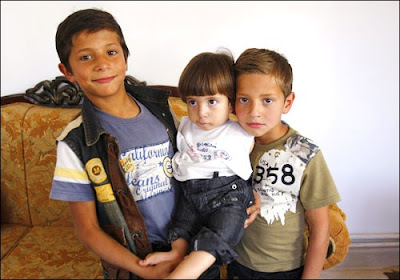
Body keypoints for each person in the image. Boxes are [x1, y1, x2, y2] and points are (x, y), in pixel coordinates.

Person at [49, 9, 260, 279]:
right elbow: (88, 231)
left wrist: (248, 194)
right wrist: (143, 270)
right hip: (138, 263)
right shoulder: (75, 142)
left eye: (111, 52)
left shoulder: (162, 111)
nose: (102, 64)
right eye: (86, 57)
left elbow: (212, 160)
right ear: (67, 71)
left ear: (126, 57)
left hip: (193, 248)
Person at [139, 51, 256, 279]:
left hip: (227, 197)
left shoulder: (241, 131)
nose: (201, 113)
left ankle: (182, 275)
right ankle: (178, 254)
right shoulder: (184, 126)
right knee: (181, 226)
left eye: (212, 101)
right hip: (190, 195)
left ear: (231, 103)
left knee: (222, 232)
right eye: (193, 102)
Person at [227, 48, 341, 279]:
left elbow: (320, 228)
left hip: (286, 270)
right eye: (244, 100)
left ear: (287, 102)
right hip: (237, 264)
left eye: (267, 100)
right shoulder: (227, 143)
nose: (254, 112)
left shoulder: (305, 154)